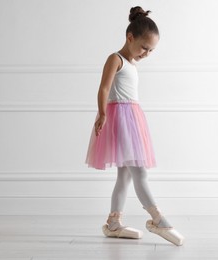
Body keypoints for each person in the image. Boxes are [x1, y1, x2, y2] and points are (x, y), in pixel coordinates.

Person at [85, 6, 184, 246]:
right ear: (130, 38)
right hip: (119, 119)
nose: (147, 53)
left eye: (151, 50)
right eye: (144, 47)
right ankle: (158, 220)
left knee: (126, 175)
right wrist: (101, 114)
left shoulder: (133, 64)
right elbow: (104, 88)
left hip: (133, 117)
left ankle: (113, 223)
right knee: (139, 171)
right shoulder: (115, 59)